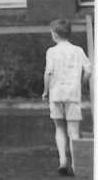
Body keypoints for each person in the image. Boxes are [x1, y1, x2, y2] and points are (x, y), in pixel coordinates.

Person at [43, 18, 92, 176]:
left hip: (56, 93)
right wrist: (81, 84)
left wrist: (46, 91)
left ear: (55, 34)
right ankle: (77, 165)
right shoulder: (78, 50)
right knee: (74, 131)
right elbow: (88, 70)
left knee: (59, 127)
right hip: (73, 94)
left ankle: (63, 161)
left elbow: (48, 73)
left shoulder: (52, 51)